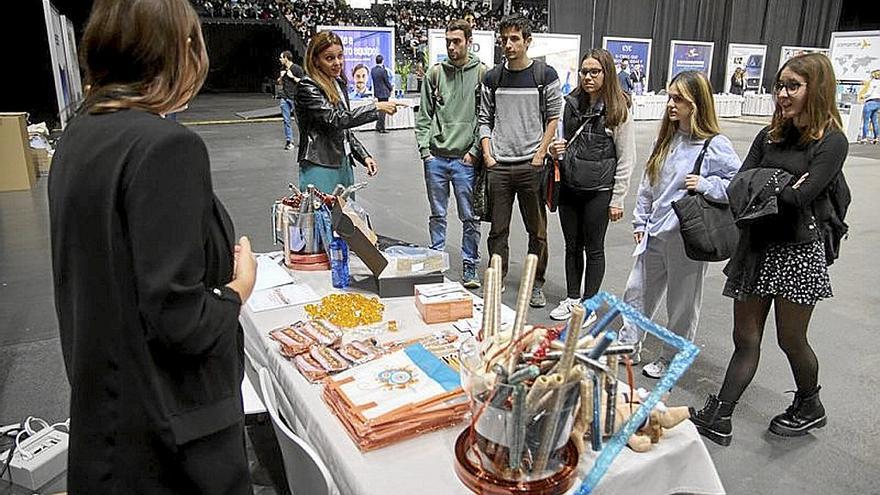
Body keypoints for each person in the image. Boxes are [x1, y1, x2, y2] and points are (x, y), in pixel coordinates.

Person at [48, 0, 257, 492]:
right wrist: (237, 289)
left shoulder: (81, 134)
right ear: (179, 50)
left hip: (111, 426)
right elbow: (179, 320)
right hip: (173, 440)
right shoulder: (166, 147)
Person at [690, 53, 849, 446]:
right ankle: (720, 414)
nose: (782, 94)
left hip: (798, 252)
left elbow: (802, 198)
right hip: (756, 246)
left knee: (791, 339)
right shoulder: (769, 135)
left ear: (817, 89)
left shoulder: (832, 141)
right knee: (745, 338)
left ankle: (810, 405)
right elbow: (737, 187)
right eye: (780, 85)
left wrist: (767, 186)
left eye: (793, 86)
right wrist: (782, 185)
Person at [618, 70, 742, 378]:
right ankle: (628, 345)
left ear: (696, 103)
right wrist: (640, 219)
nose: (671, 104)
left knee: (682, 305)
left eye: (679, 99)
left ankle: (672, 358)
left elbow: (738, 184)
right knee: (636, 292)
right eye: (670, 97)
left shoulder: (714, 144)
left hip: (687, 236)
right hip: (654, 233)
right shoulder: (668, 138)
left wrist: (706, 184)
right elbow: (649, 183)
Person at [479, 14, 562, 307]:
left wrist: (540, 155)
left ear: (528, 41)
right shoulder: (492, 77)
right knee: (498, 230)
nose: (508, 45)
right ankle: (497, 279)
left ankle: (535, 284)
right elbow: (484, 119)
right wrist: (488, 155)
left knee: (537, 231)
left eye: (515, 39)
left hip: (531, 165)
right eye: (504, 39)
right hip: (499, 166)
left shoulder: (545, 75)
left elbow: (553, 118)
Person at [547, 48, 636, 321]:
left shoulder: (619, 109)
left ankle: (590, 304)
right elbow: (559, 141)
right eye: (584, 71)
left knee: (594, 249)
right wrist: (554, 149)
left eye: (594, 71)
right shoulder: (571, 103)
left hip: (599, 191)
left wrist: (617, 198)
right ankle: (573, 297)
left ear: (606, 73)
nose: (588, 77)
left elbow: (626, 158)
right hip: (570, 188)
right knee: (571, 246)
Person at [416, 19, 486, 289]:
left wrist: (474, 152)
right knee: (437, 215)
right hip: (436, 158)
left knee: (470, 217)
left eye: (457, 41)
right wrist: (425, 151)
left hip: (465, 161)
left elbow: (486, 116)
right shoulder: (435, 74)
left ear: (469, 41)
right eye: (448, 41)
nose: (452, 46)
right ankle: (435, 264)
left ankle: (470, 267)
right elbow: (424, 116)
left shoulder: (481, 73)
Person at [295, 31, 397, 193]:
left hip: (343, 162)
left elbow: (344, 128)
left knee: (345, 216)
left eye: (340, 56)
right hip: (320, 164)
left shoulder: (338, 83)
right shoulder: (307, 87)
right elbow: (335, 119)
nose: (337, 62)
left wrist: (363, 155)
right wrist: (375, 107)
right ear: (315, 60)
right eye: (329, 58)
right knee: (323, 217)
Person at [278, 50, 305, 150]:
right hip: (284, 97)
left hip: (295, 98)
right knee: (286, 120)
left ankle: (304, 141)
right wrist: (281, 77)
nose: (280, 59)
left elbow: (303, 82)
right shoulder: (283, 69)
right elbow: (280, 83)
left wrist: (292, 77)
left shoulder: (297, 68)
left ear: (286, 58)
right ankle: (289, 141)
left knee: (299, 120)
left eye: (281, 57)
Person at [371, 54, 394, 133]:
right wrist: (391, 88)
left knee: (380, 109)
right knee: (383, 111)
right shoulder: (383, 70)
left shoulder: (373, 70)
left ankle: (378, 126)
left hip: (377, 92)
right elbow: (386, 81)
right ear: (382, 61)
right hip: (384, 93)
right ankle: (382, 128)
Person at [858, 68, 880, 144]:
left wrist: (863, 96)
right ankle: (876, 137)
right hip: (878, 102)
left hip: (870, 102)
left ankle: (864, 137)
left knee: (866, 121)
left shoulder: (873, 82)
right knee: (875, 121)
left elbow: (869, 92)